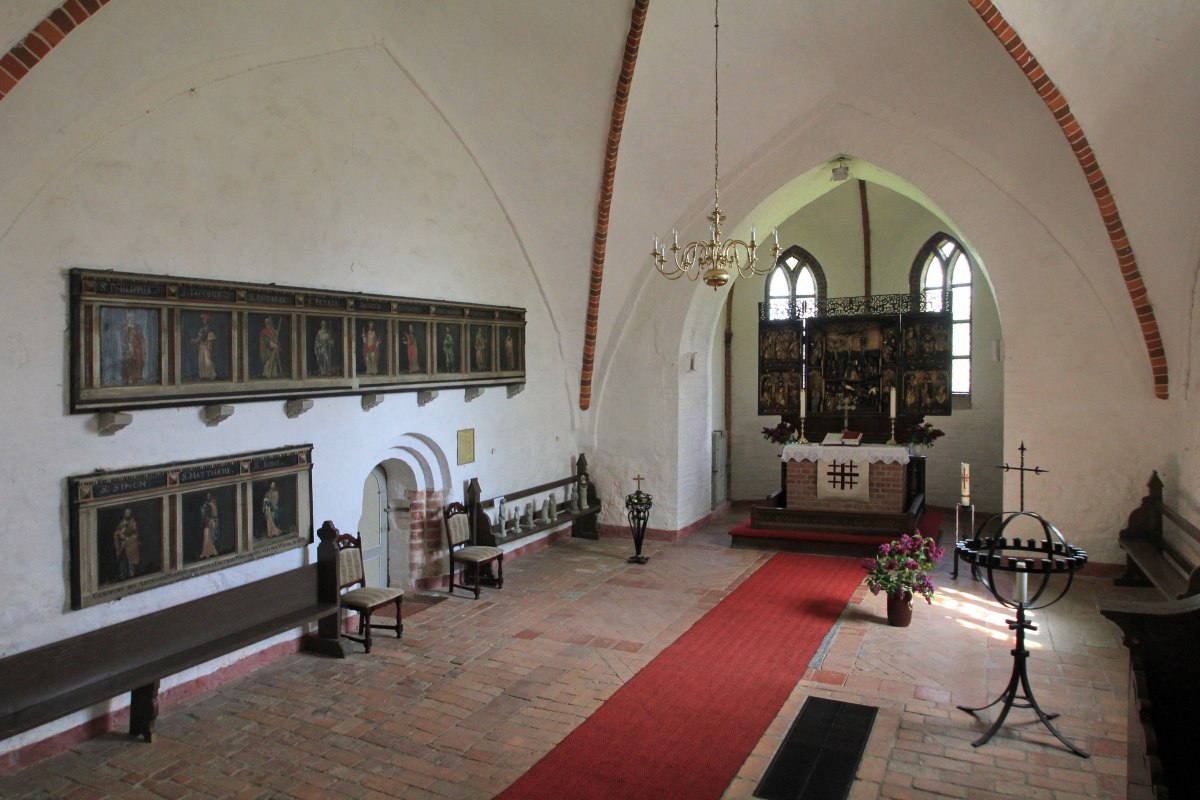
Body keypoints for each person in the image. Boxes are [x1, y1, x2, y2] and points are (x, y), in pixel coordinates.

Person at [113, 507, 140, 580]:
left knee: (130, 559)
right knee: (122, 559)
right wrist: (119, 533)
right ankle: (122, 574)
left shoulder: (133, 522)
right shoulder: (121, 523)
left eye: (129, 513)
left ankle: (131, 574)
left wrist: (127, 537)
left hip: (130, 544)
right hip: (122, 544)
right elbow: (117, 532)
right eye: (126, 513)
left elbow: (135, 534)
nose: (127, 515)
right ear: (124, 514)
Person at [120, 310, 146, 385]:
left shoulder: (137, 326)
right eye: (128, 316)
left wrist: (134, 332)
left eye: (131, 316)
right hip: (127, 349)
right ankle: (129, 378)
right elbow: (123, 337)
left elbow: (141, 337)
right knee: (128, 363)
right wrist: (127, 331)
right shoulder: (124, 326)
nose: (130, 318)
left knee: (136, 363)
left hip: (136, 348)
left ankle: (136, 378)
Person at [192, 313, 217, 380]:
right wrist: (195, 341)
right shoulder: (202, 329)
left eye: (205, 319)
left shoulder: (210, 328)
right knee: (202, 360)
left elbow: (212, 337)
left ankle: (212, 374)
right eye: (203, 319)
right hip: (202, 346)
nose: (204, 321)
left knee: (208, 360)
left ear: (207, 320)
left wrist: (208, 341)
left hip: (207, 346)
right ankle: (204, 375)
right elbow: (199, 337)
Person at [199, 493, 219, 558]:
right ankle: (206, 552)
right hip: (207, 523)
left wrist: (213, 521)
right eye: (207, 496)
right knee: (206, 537)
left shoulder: (213, 503)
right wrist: (209, 520)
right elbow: (203, 515)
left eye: (209, 496)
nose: (208, 497)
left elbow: (215, 514)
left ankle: (210, 552)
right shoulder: (204, 506)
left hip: (212, 522)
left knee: (211, 537)